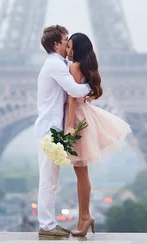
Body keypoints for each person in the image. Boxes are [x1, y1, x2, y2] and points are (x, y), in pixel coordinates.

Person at [64, 32, 132, 237]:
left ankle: (84, 217)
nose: (67, 51)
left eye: (70, 48)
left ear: (78, 50)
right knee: (82, 173)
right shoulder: (84, 67)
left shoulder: (74, 66)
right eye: (66, 47)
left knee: (81, 172)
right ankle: (84, 217)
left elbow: (72, 98)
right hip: (85, 116)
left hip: (76, 119)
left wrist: (69, 126)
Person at [34, 25, 91, 238]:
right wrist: (91, 89)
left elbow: (76, 65)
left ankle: (48, 224)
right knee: (48, 181)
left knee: (51, 181)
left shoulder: (57, 64)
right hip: (49, 130)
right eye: (66, 39)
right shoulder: (55, 66)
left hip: (51, 129)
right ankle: (47, 226)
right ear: (56, 44)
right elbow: (75, 90)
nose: (68, 43)